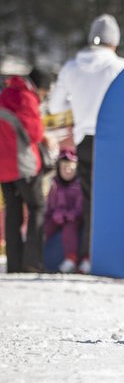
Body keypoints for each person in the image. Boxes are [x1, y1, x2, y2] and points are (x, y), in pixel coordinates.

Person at [47, 14, 124, 273]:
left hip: (83, 141)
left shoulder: (71, 67)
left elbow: (54, 106)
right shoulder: (119, 67)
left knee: (90, 201)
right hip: (112, 143)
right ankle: (108, 256)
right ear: (114, 42)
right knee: (115, 200)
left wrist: (80, 110)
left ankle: (85, 256)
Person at [1, 68, 52, 273]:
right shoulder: (26, 98)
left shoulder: (6, 93)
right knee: (37, 207)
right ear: (40, 88)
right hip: (23, 164)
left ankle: (14, 264)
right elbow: (35, 133)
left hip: (3, 167)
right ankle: (32, 262)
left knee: (13, 212)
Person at [44, 148, 85, 273]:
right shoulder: (55, 185)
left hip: (73, 218)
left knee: (69, 230)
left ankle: (71, 258)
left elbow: (80, 206)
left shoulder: (78, 185)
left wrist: (71, 214)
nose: (67, 170)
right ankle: (35, 254)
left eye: (71, 168)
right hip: (57, 217)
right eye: (64, 167)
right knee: (45, 228)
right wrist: (55, 214)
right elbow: (51, 204)